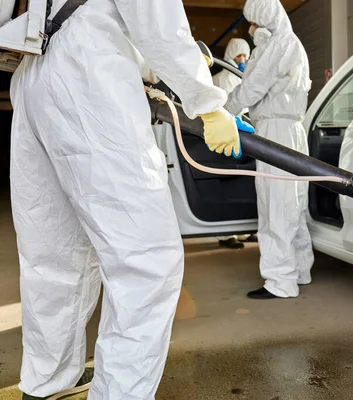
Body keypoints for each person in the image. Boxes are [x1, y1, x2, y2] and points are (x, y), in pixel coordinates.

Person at [10, 0, 240, 399]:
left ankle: (47, 379)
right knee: (145, 260)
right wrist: (207, 103)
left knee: (53, 253)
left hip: (34, 73)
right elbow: (157, 21)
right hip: (90, 71)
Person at [225, 0, 314, 300]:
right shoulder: (292, 43)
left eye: (251, 21)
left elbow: (251, 89)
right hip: (292, 131)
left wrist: (222, 112)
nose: (250, 29)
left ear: (262, 18)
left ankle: (279, 282)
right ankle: (300, 271)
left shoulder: (277, 44)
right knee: (293, 205)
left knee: (276, 206)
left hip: (274, 132)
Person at [212, 38, 255, 249]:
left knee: (243, 181)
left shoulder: (244, 78)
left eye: (246, 56)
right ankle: (227, 233)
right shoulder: (219, 79)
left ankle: (244, 231)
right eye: (239, 56)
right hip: (226, 134)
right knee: (227, 181)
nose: (243, 60)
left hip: (244, 133)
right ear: (231, 54)